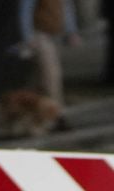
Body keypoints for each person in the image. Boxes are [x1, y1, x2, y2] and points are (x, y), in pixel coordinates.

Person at [17, 0, 81, 131]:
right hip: (40, 36)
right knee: (51, 77)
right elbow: (25, 12)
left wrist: (71, 31)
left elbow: (66, 9)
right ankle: (58, 116)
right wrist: (28, 38)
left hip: (55, 35)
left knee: (37, 80)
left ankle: (26, 114)